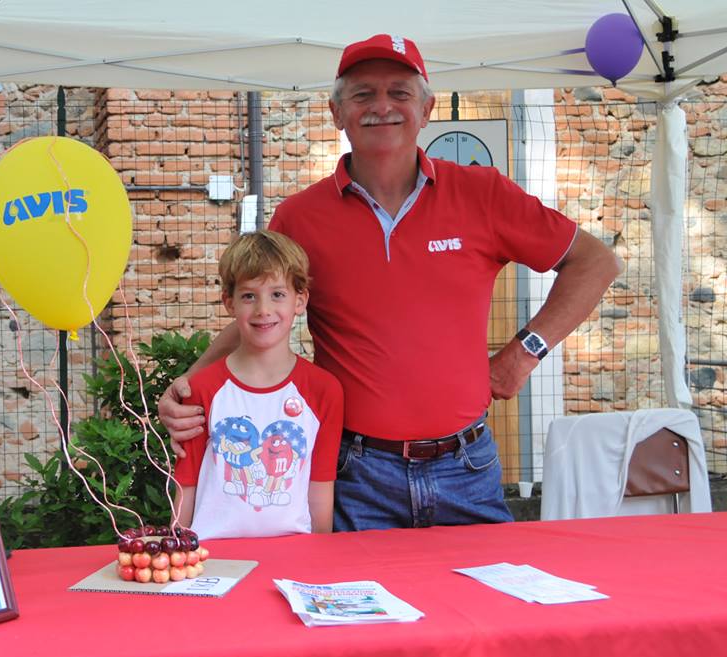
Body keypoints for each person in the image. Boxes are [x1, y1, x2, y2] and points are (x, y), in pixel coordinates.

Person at [160, 34, 621, 531]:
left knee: (486, 607)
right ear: (337, 112)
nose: (382, 106)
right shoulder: (301, 216)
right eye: (363, 94)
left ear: (426, 109)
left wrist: (523, 353)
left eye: (400, 92)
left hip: (466, 468)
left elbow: (595, 263)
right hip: (357, 474)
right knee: (367, 609)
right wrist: (192, 387)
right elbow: (260, 313)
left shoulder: (482, 193)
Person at [174, 230, 343, 539]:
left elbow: (320, 487)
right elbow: (187, 485)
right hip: (213, 555)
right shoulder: (203, 389)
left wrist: (322, 555)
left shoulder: (323, 390)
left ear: (300, 300)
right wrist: (175, 553)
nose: (263, 310)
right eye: (249, 296)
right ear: (229, 303)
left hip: (295, 553)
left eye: (277, 294)